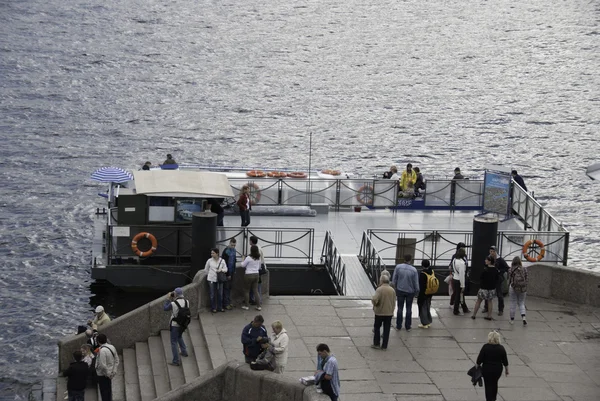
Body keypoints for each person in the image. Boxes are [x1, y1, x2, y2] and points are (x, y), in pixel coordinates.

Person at [476, 331, 509, 401]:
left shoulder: (485, 347)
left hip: (487, 369)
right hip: (497, 370)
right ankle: (493, 398)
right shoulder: (501, 348)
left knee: (488, 384)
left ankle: (488, 398)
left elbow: (479, 360)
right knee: (494, 383)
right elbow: (505, 361)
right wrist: (507, 370)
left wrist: (476, 367)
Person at [391, 254, 419, 331]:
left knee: (400, 308)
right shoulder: (413, 270)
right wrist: (417, 291)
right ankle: (408, 326)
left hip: (400, 290)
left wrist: (394, 287)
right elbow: (416, 283)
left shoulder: (398, 267)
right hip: (410, 291)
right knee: (409, 308)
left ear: (404, 259)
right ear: (411, 259)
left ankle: (398, 325)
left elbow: (394, 279)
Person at [163, 288, 189, 366]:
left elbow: (165, 308)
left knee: (173, 342)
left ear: (175, 294)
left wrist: (168, 299)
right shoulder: (187, 301)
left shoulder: (173, 303)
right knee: (179, 336)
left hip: (175, 324)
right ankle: (184, 352)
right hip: (183, 323)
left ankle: (176, 361)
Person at [371, 274, 396, 349]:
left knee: (377, 327)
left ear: (381, 280)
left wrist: (374, 303)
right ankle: (384, 345)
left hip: (380, 312)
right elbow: (394, 301)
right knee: (386, 329)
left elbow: (375, 300)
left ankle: (376, 343)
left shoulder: (379, 289)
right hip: (389, 312)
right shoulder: (392, 290)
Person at [484, 246, 509, 316]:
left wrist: (500, 271)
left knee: (499, 294)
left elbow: (506, 267)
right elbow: (485, 265)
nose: (492, 253)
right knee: (487, 293)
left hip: (497, 279)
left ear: (496, 252)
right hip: (490, 278)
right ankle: (486, 307)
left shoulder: (500, 259)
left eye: (493, 251)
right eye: (491, 251)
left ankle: (500, 309)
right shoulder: (488, 258)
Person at [471, 256, 498, 321]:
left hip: (483, 288)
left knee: (479, 301)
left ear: (489, 261)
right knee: (490, 301)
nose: (485, 260)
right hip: (491, 288)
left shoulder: (485, 270)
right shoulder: (496, 270)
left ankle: (474, 315)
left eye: (486, 260)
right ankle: (489, 316)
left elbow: (481, 278)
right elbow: (497, 279)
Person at [96, 333, 119, 401]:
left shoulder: (102, 351)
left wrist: (108, 374)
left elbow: (103, 365)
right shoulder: (112, 347)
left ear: (98, 341)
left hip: (103, 374)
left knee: (104, 392)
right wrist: (114, 371)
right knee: (108, 390)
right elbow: (117, 360)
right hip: (110, 371)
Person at [204, 248, 228, 313]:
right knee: (212, 294)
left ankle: (220, 307)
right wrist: (209, 275)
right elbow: (206, 269)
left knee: (220, 293)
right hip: (211, 278)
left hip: (219, 279)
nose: (212, 254)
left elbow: (226, 269)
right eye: (211, 253)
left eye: (213, 253)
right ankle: (213, 308)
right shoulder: (209, 261)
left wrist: (221, 270)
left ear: (217, 253)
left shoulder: (222, 261)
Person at [508, 256, 528, 325]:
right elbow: (526, 278)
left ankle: (512, 320)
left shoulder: (511, 269)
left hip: (513, 288)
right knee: (521, 303)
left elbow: (510, 279)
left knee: (513, 303)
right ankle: (523, 317)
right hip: (523, 288)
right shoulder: (524, 269)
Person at [241, 245, 262, 311]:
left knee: (246, 290)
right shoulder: (258, 258)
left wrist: (242, 259)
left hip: (248, 275)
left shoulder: (248, 258)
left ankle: (247, 306)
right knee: (255, 290)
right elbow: (259, 267)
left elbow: (243, 265)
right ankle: (258, 306)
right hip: (256, 274)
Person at [448, 242, 469, 307]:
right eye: (462, 248)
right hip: (457, 275)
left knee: (459, 292)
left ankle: (461, 304)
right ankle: (454, 303)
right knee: (456, 292)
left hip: (463, 275)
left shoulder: (465, 256)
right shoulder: (455, 257)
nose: (464, 249)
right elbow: (451, 265)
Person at [451, 248, 470, 315]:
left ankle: (464, 308)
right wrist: (463, 285)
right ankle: (456, 310)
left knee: (458, 295)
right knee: (459, 296)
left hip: (455, 278)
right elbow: (462, 275)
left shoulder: (454, 260)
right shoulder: (461, 263)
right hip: (459, 280)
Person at [417, 259, 434, 328]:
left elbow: (421, 286)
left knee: (422, 307)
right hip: (430, 292)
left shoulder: (423, 274)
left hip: (424, 293)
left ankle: (424, 323)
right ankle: (429, 321)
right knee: (428, 307)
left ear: (422, 265)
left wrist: (419, 295)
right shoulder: (432, 271)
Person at [221, 239, 237, 310]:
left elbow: (234, 261)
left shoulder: (234, 250)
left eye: (234, 245)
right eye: (232, 245)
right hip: (227, 273)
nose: (233, 246)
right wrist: (228, 274)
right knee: (226, 288)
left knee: (230, 287)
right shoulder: (226, 251)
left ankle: (228, 301)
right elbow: (226, 263)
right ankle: (226, 303)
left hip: (232, 272)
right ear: (229, 243)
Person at [249, 236, 265, 305]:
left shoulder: (255, 249)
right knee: (256, 285)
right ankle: (254, 299)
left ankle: (258, 300)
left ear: (251, 241)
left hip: (257, 269)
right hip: (259, 268)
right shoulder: (259, 247)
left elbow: (256, 259)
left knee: (257, 286)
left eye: (250, 240)